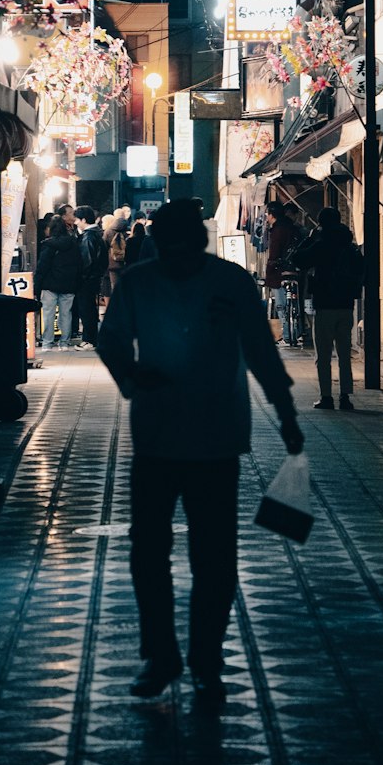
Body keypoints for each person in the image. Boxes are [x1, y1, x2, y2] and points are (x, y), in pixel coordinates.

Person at [97, 198, 303, 707]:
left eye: (188, 246)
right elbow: (110, 339)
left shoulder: (230, 283)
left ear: (200, 242)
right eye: (173, 247)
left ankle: (206, 661)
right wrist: (132, 375)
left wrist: (286, 413)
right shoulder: (142, 284)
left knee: (212, 558)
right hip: (160, 439)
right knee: (151, 555)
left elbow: (259, 349)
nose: (181, 255)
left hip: (214, 441)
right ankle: (162, 656)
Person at [292, 206, 365, 410]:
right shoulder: (349, 247)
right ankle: (345, 397)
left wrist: (310, 239)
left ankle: (326, 397)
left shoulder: (321, 245)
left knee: (323, 356)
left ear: (321, 223)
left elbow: (297, 259)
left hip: (324, 305)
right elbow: (362, 269)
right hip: (346, 306)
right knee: (344, 355)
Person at [34, 214, 82, 350]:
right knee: (66, 314)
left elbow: (42, 267)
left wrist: (37, 286)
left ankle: (47, 343)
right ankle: (64, 343)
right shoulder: (73, 244)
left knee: (48, 314)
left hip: (50, 285)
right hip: (69, 285)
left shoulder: (48, 245)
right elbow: (79, 264)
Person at [74, 206, 108, 348]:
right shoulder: (98, 234)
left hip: (86, 280)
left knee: (86, 309)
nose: (75, 222)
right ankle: (91, 339)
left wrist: (81, 277)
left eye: (77, 219)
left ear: (83, 219)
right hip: (94, 278)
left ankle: (89, 340)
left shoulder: (88, 237)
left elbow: (87, 261)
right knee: (90, 309)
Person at [263, 202, 300, 331]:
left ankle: (287, 333)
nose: (266, 217)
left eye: (267, 214)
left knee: (281, 304)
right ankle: (297, 330)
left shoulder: (278, 230)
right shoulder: (293, 228)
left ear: (272, 215)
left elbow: (274, 252)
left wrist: (269, 270)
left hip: (279, 271)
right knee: (296, 302)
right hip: (295, 268)